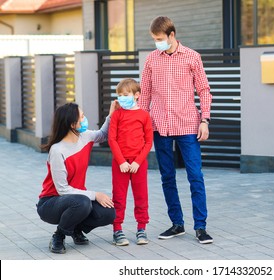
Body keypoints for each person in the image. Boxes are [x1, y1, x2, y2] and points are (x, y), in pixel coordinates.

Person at [139, 16, 213, 244]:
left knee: (195, 176)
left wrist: (205, 120)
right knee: (167, 177)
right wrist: (141, 125)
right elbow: (145, 95)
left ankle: (200, 227)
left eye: (159, 39)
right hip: (159, 126)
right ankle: (177, 224)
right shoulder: (151, 60)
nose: (157, 43)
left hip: (188, 125)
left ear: (171, 35)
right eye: (154, 39)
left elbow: (204, 90)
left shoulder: (192, 57)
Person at [36, 102, 117, 254]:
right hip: (51, 203)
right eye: (82, 117)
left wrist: (111, 115)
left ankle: (75, 229)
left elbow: (103, 134)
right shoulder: (57, 150)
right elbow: (62, 190)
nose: (85, 119)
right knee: (83, 202)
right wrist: (95, 195)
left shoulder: (84, 137)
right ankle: (59, 236)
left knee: (109, 213)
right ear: (73, 124)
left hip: (76, 200)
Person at [108, 78, 153, 246]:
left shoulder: (144, 115)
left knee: (141, 197)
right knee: (119, 197)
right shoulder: (117, 115)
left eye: (125, 95)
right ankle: (117, 229)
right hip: (120, 164)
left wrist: (138, 162)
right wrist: (121, 161)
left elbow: (148, 141)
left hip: (138, 165)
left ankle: (141, 228)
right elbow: (112, 139)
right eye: (119, 95)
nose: (122, 98)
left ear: (137, 95)